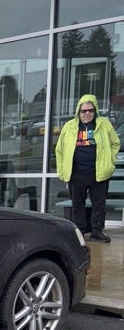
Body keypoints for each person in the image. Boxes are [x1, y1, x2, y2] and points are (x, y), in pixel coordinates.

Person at [55, 93, 121, 243]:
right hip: (76, 173)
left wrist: (109, 160)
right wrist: (61, 171)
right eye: (84, 111)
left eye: (90, 110)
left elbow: (115, 143)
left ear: (95, 110)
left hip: (98, 172)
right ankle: (79, 233)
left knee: (99, 204)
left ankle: (97, 232)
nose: (87, 114)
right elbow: (59, 149)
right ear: (79, 111)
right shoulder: (69, 126)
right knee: (77, 205)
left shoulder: (104, 125)